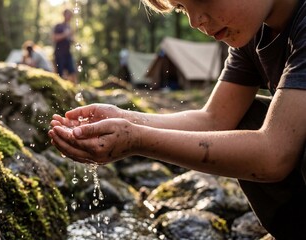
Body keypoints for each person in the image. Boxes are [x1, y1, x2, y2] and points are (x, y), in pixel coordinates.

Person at [49, 0, 306, 238]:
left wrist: (137, 140)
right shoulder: (252, 31)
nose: (195, 21)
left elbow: (275, 154)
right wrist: (123, 118)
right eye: (183, 7)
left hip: (279, 152)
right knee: (246, 117)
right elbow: (214, 120)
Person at [52, 9, 76, 83]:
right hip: (59, 53)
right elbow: (54, 38)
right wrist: (65, 34)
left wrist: (72, 39)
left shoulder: (69, 27)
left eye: (70, 15)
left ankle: (73, 90)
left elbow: (71, 40)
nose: (69, 17)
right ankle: (59, 89)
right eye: (68, 15)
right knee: (60, 73)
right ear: (64, 15)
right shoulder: (59, 26)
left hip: (67, 53)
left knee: (72, 71)